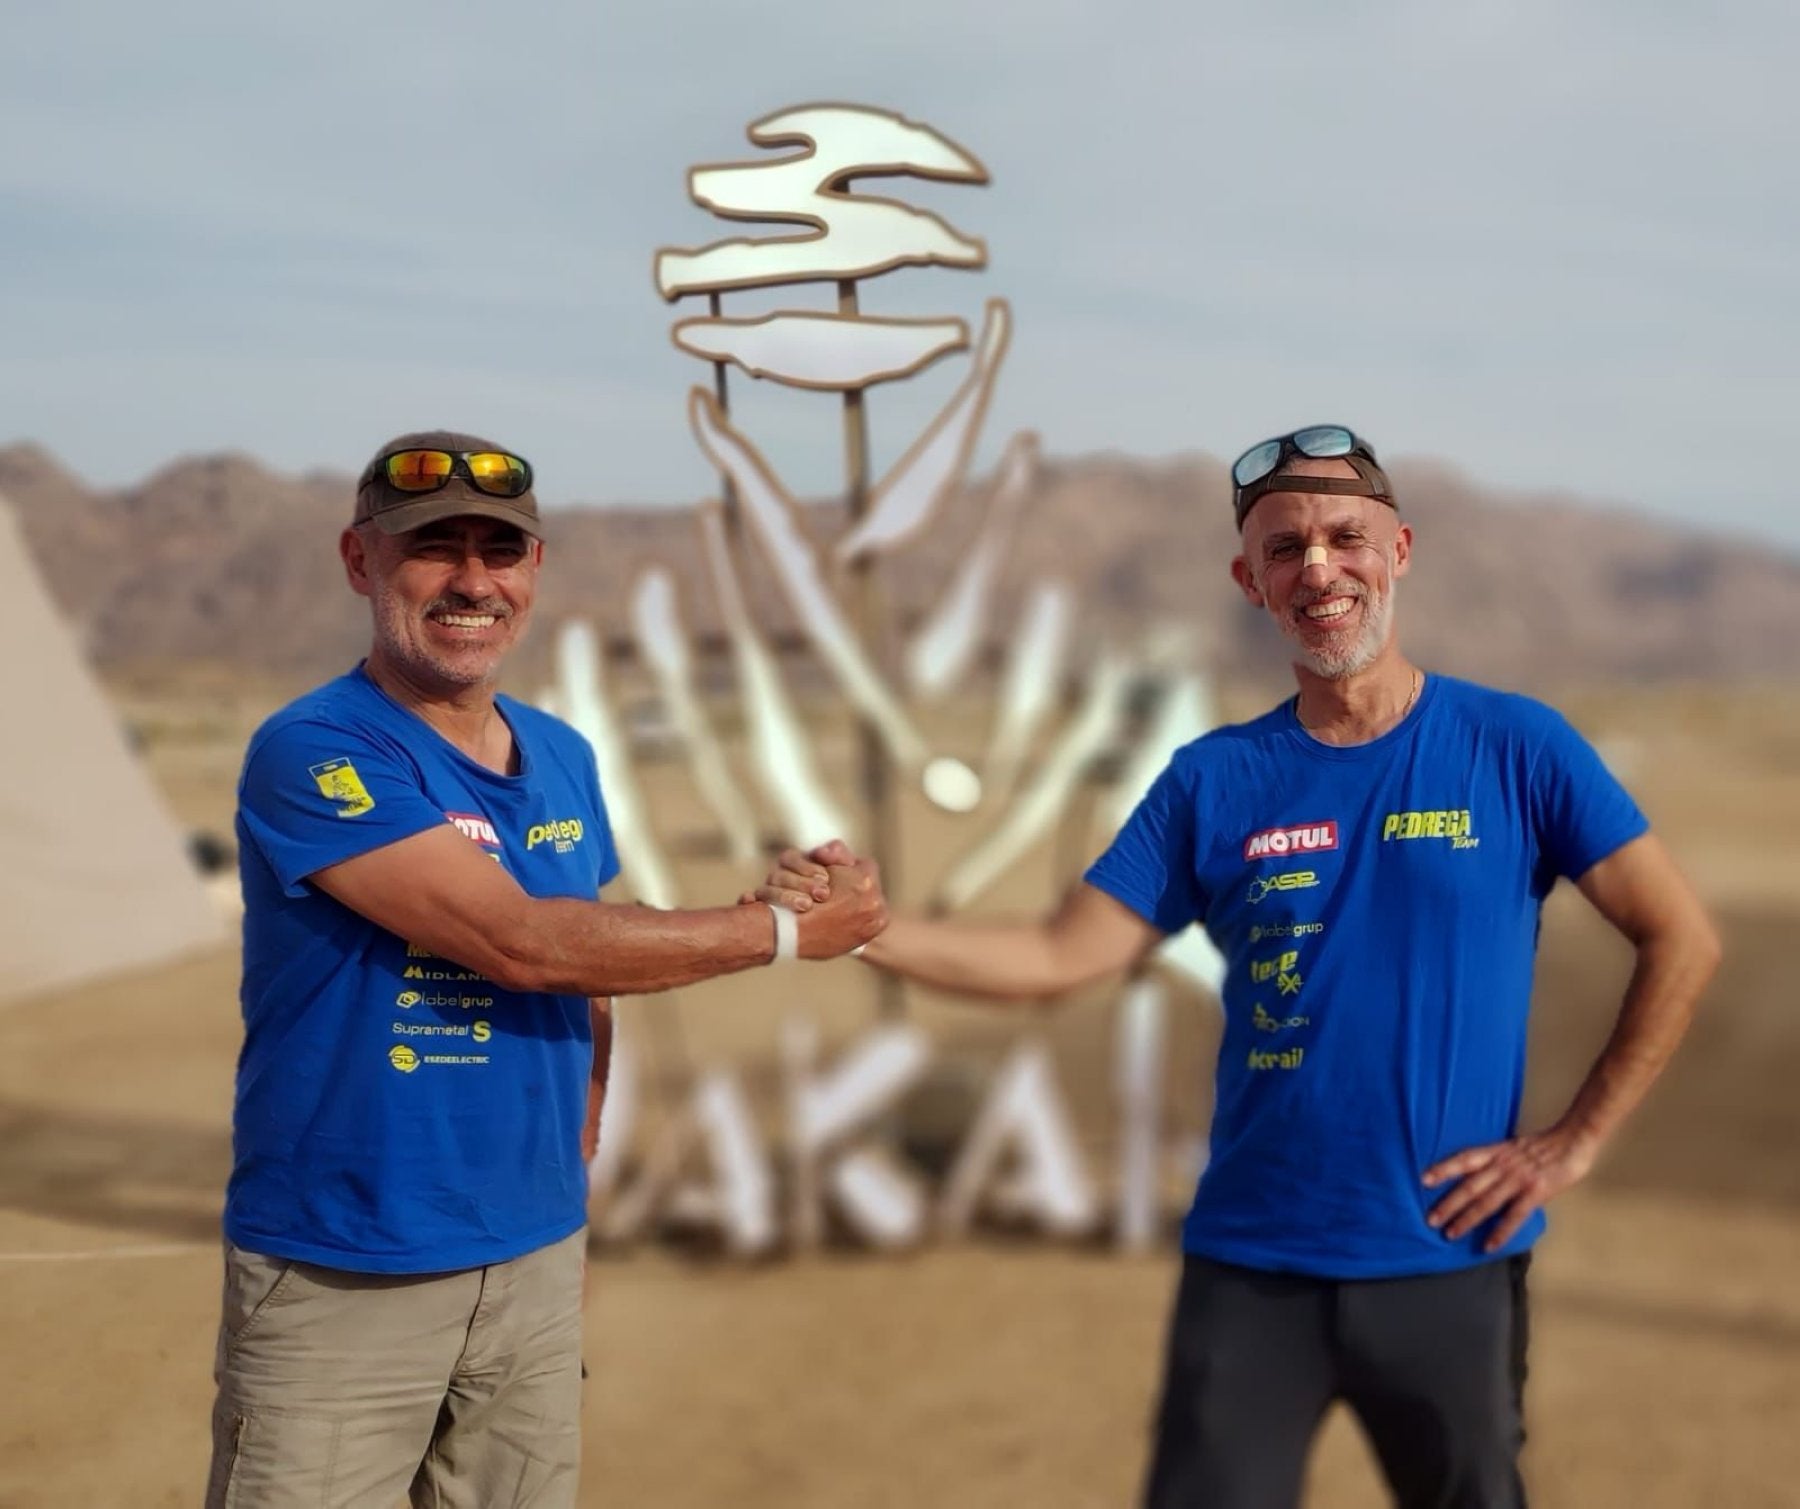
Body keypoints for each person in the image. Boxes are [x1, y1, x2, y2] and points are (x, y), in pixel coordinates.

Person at [755, 426, 1721, 1509]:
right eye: (1284, 548)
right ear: (1248, 581)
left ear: (1399, 549)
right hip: (1252, 1264)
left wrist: (1572, 1143)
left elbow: (1680, 934)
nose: (1318, 568)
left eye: (1345, 538)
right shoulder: (1215, 780)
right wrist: (873, 928)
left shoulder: (1516, 747)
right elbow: (1057, 953)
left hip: (1449, 1260)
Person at [207, 430, 886, 1509]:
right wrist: (783, 930)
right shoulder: (319, 750)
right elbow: (521, 943)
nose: (472, 581)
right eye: (433, 547)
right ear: (359, 561)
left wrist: (564, 1183)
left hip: (527, 1263)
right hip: (348, 1266)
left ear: (535, 571)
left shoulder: (561, 753)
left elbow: (590, 964)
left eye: (501, 551)